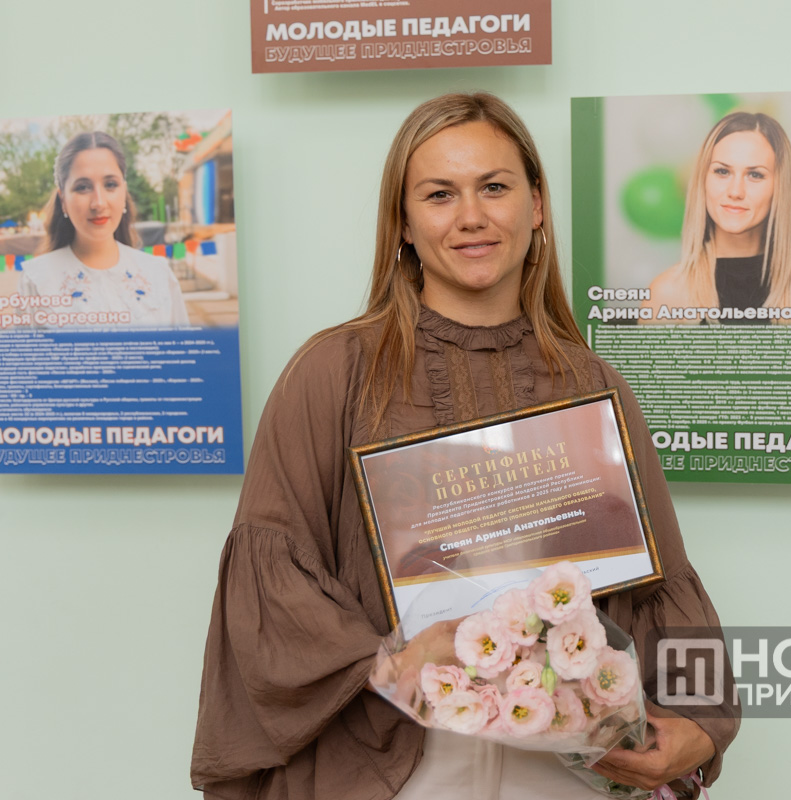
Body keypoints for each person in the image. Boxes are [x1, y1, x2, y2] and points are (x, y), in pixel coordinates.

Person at [191, 93, 738, 800]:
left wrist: (702, 723)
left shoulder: (593, 383)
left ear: (536, 206)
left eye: (495, 187)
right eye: (440, 194)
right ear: (403, 222)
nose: (471, 216)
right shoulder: (333, 373)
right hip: (397, 769)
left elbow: (663, 588)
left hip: (568, 772)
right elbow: (271, 588)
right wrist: (394, 662)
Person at [643, 112, 791, 325]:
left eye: (755, 175)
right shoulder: (667, 293)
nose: (735, 191)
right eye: (722, 171)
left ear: (780, 188)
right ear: (703, 180)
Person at [18, 131, 189, 327]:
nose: (99, 203)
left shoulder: (159, 274)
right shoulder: (36, 280)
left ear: (124, 192)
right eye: (83, 187)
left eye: (110, 184)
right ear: (63, 200)